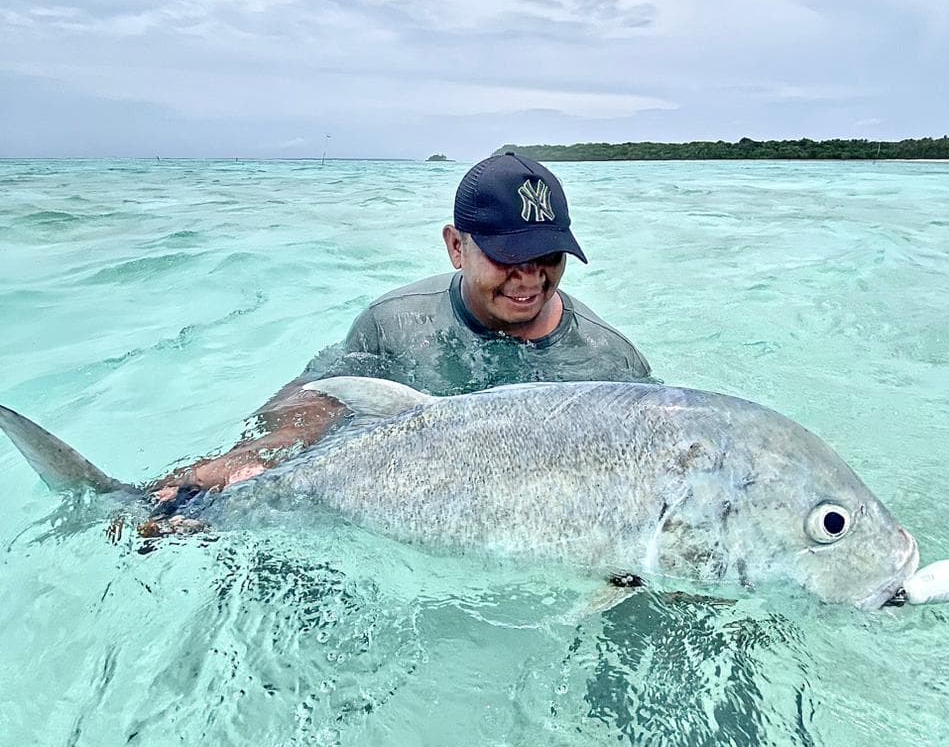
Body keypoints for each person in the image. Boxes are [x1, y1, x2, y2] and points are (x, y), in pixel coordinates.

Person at [150, 152, 653, 507]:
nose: (530, 278)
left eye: (548, 256)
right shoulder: (394, 322)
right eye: (508, 257)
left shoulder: (610, 362)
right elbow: (320, 395)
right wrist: (253, 458)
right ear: (456, 246)